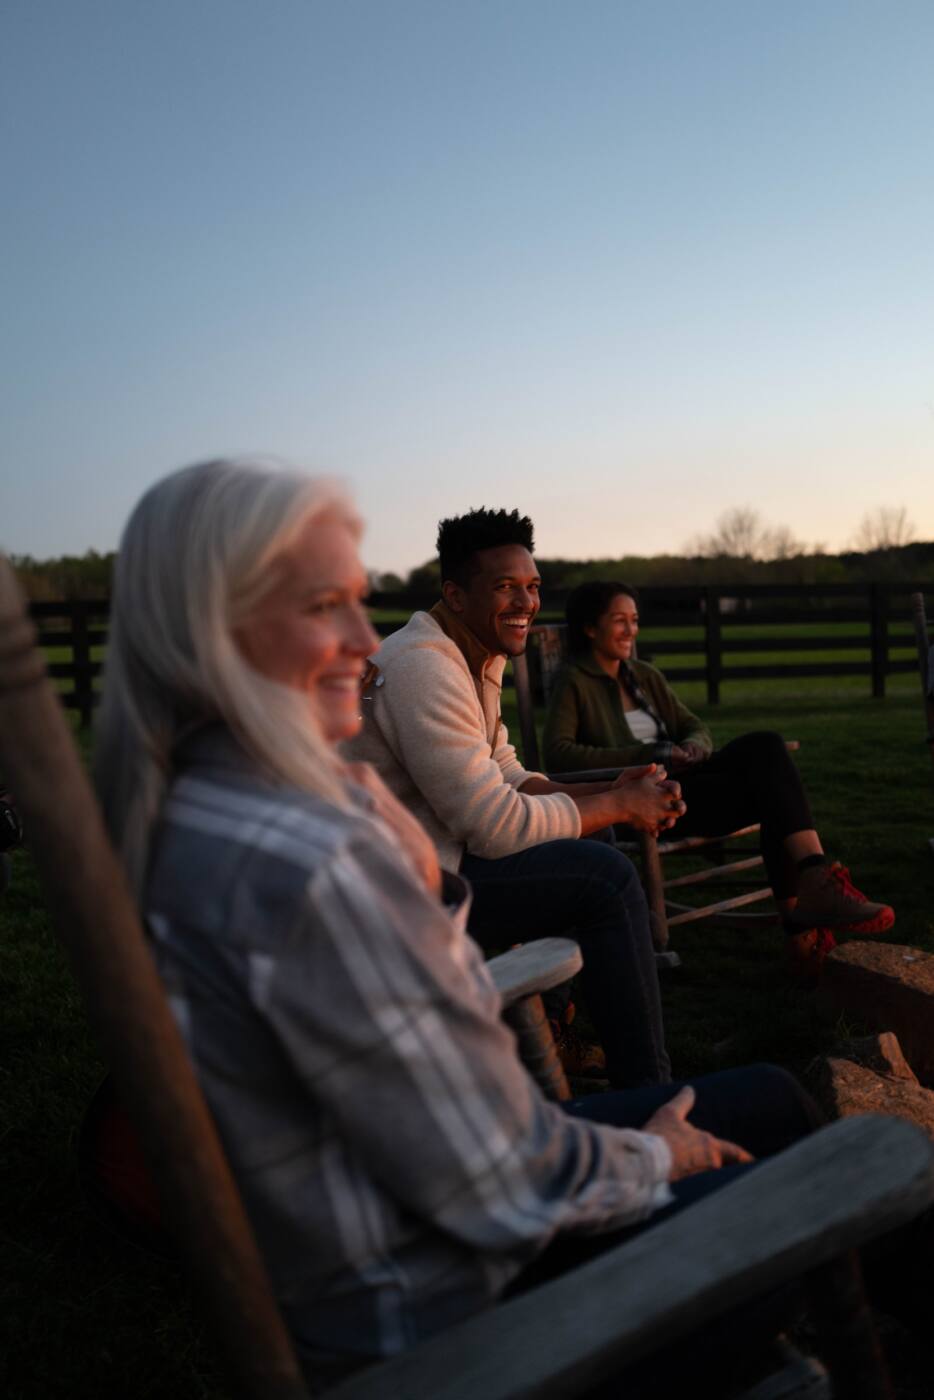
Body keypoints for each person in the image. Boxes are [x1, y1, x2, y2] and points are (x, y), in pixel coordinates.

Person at [92, 458, 831, 1390]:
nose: (368, 646)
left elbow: (447, 1118)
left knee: (772, 1098)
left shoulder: (223, 803)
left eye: (360, 604)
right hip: (463, 1317)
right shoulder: (309, 862)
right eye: (326, 606)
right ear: (214, 628)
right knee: (829, 1166)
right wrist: (652, 1156)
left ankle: (662, 1099)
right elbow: (493, 1184)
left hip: (438, 1191)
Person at [350, 507, 685, 1087]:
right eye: (505, 588)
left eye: (532, 587)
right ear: (455, 594)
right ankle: (649, 1093)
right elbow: (493, 825)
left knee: (596, 835)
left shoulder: (474, 654)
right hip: (407, 889)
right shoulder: (423, 666)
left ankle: (552, 1030)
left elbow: (502, 768)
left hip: (442, 854)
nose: (526, 602)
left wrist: (612, 789)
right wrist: (622, 805)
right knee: (603, 878)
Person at [542, 580, 894, 968]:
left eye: (635, 620)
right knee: (772, 790)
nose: (631, 630)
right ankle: (802, 925)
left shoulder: (644, 675)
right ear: (591, 628)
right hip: (642, 800)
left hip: (685, 780)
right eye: (619, 621)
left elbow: (693, 724)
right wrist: (653, 753)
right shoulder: (573, 681)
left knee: (764, 746)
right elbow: (559, 756)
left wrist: (694, 745)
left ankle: (814, 878)